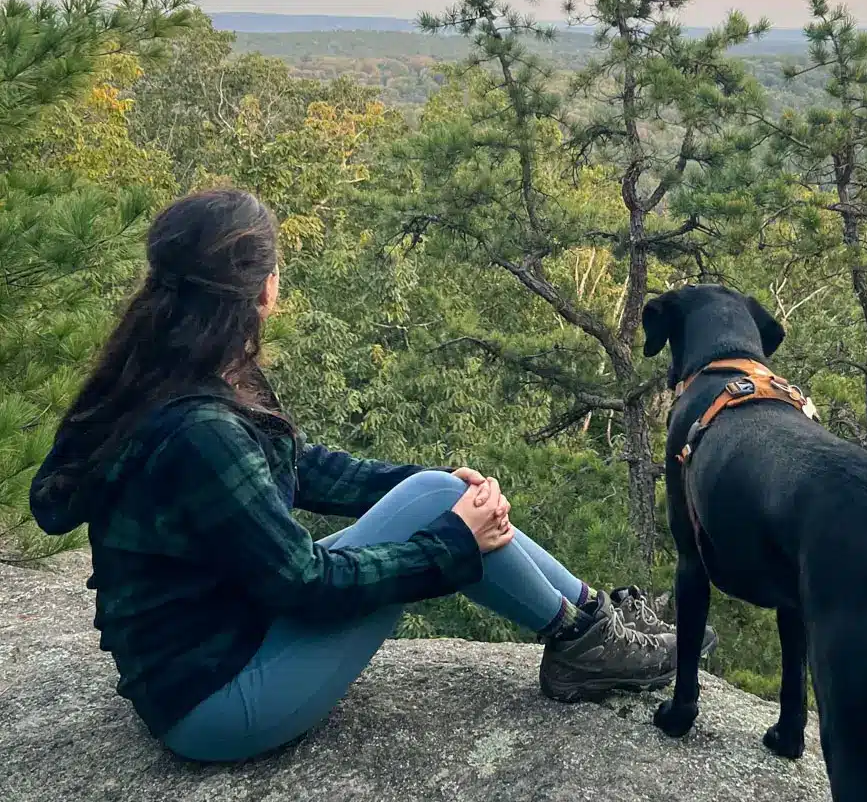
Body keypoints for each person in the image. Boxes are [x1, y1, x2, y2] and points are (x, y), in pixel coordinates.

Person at [29, 188, 681, 764]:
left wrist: (436, 488)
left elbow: (299, 467)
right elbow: (303, 584)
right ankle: (587, 641)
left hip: (227, 640)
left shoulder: (176, 370)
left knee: (440, 494)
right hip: (215, 704)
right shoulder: (200, 429)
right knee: (448, 515)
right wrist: (452, 543)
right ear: (264, 289)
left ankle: (591, 622)